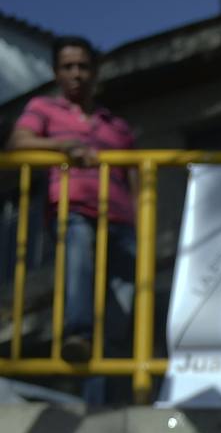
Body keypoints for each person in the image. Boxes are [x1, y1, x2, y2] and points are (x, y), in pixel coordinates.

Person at [6, 36, 137, 380]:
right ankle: (77, 332)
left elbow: (133, 175)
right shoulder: (43, 109)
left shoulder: (116, 125)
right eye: (68, 67)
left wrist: (139, 219)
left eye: (83, 66)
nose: (76, 74)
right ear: (56, 72)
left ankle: (108, 384)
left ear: (95, 72)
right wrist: (62, 145)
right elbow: (18, 144)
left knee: (123, 307)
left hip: (121, 219)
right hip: (73, 208)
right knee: (77, 256)